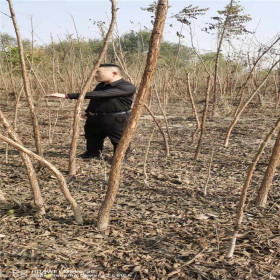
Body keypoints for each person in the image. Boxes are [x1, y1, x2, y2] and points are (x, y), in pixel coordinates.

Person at [46, 64, 136, 159]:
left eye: (98, 72)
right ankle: (92, 154)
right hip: (95, 117)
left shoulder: (126, 87)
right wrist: (88, 111)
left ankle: (119, 159)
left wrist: (67, 95)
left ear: (114, 73)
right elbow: (95, 99)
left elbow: (100, 95)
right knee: (92, 137)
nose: (95, 75)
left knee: (119, 140)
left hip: (116, 118)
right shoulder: (101, 85)